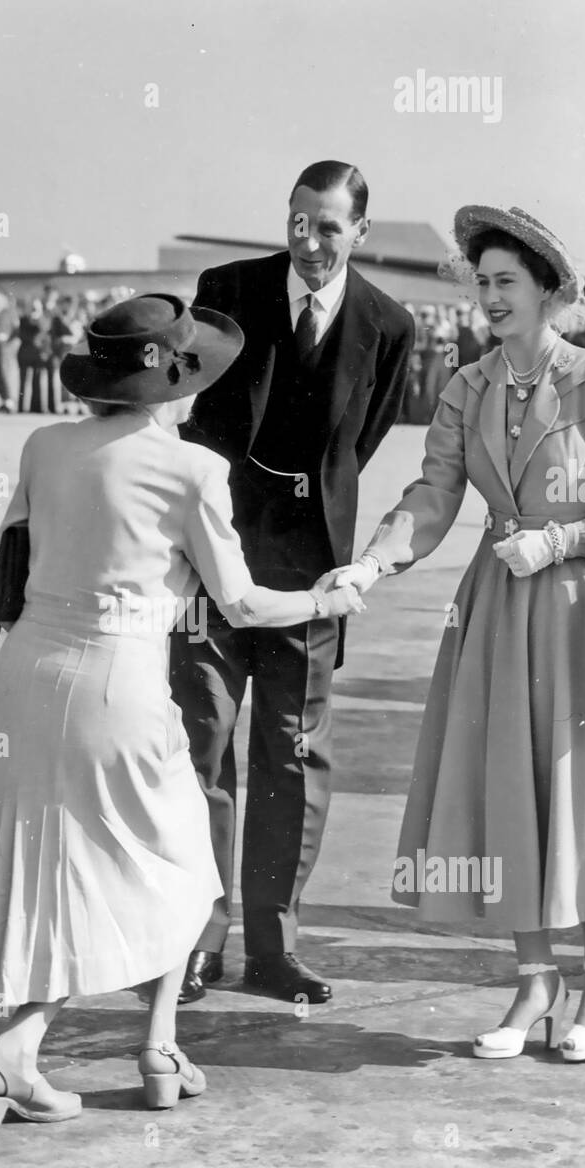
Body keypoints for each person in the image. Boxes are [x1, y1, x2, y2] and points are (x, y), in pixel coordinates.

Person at [0, 295, 364, 1128]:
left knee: (54, 872)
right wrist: (329, 596)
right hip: (118, 679)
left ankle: (150, 1047)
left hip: (27, 672)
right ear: (170, 387)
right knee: (183, 867)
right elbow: (244, 604)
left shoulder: (44, 445)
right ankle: (25, 1049)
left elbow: (9, 564)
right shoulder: (192, 470)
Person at [330, 205, 585, 1063]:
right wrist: (370, 566)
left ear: (549, 290)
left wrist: (556, 541)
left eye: (505, 282)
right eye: (480, 282)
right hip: (493, 608)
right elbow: (435, 495)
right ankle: (533, 980)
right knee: (502, 785)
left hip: (572, 608)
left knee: (579, 790)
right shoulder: (467, 386)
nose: (488, 297)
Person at [168, 159, 414, 1005]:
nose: (310, 241)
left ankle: (273, 948)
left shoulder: (388, 323)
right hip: (213, 555)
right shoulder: (226, 290)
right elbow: (194, 411)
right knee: (201, 746)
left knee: (293, 754)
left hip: (313, 573)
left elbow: (360, 441)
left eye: (329, 227)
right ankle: (195, 940)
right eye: (298, 222)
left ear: (361, 234)